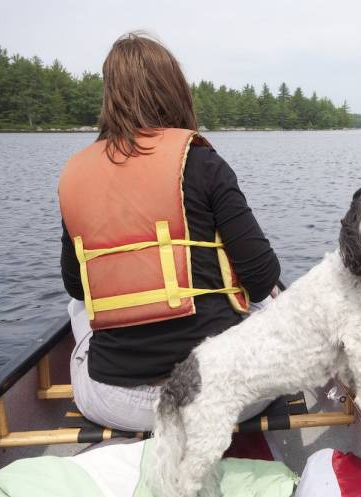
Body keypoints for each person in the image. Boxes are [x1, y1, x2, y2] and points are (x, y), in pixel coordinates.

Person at [58, 33, 280, 432]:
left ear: (109, 97)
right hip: (218, 399)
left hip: (115, 400)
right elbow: (262, 279)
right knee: (273, 301)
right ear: (175, 90)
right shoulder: (203, 162)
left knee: (76, 310)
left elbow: (77, 287)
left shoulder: (76, 175)